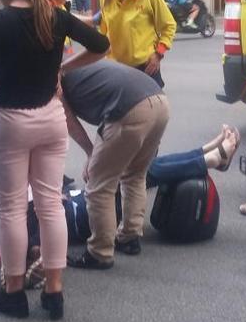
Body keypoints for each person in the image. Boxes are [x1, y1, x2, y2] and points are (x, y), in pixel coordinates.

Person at [0, 0, 109, 320]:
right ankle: (54, 291)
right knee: (51, 205)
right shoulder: (54, 14)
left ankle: (14, 293)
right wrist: (62, 67)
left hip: (11, 122)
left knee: (13, 209)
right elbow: (101, 44)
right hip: (51, 119)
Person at [61, 59, 172, 269]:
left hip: (128, 108)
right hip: (159, 102)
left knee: (99, 186)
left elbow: (66, 117)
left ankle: (99, 253)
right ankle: (129, 238)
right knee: (135, 174)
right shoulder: (77, 67)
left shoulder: (53, 78)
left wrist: (90, 152)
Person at [98, 0, 177, 88]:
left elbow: (169, 26)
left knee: (149, 109)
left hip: (145, 68)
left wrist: (158, 54)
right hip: (115, 68)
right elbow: (104, 27)